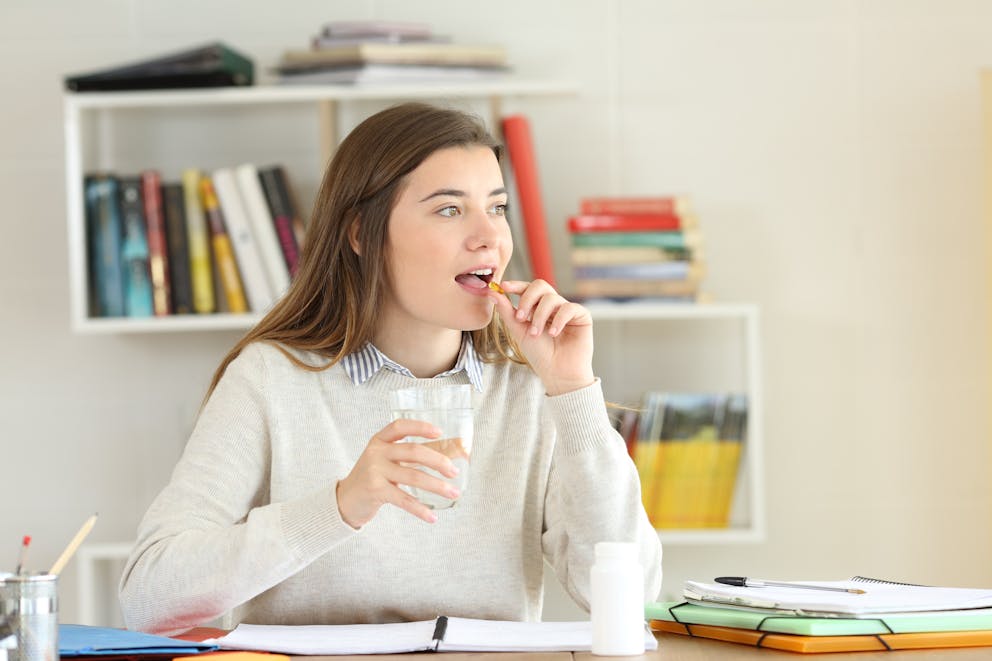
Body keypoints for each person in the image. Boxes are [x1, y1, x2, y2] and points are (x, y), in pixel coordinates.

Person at [119, 102, 662, 635]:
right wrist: (337, 507)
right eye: (450, 210)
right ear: (361, 233)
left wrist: (572, 391)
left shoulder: (532, 387)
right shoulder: (269, 379)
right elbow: (149, 599)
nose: (489, 236)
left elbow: (630, 598)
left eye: (496, 208)